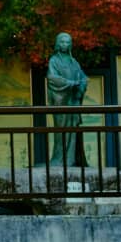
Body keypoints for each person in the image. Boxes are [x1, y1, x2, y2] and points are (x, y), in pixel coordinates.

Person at [47, 32, 88, 167]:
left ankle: (72, 159)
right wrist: (70, 83)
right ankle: (60, 159)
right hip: (62, 100)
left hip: (73, 100)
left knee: (73, 130)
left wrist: (81, 85)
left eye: (68, 42)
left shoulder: (74, 61)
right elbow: (52, 78)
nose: (65, 44)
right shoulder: (54, 60)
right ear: (58, 44)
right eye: (63, 42)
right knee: (61, 131)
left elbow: (82, 76)